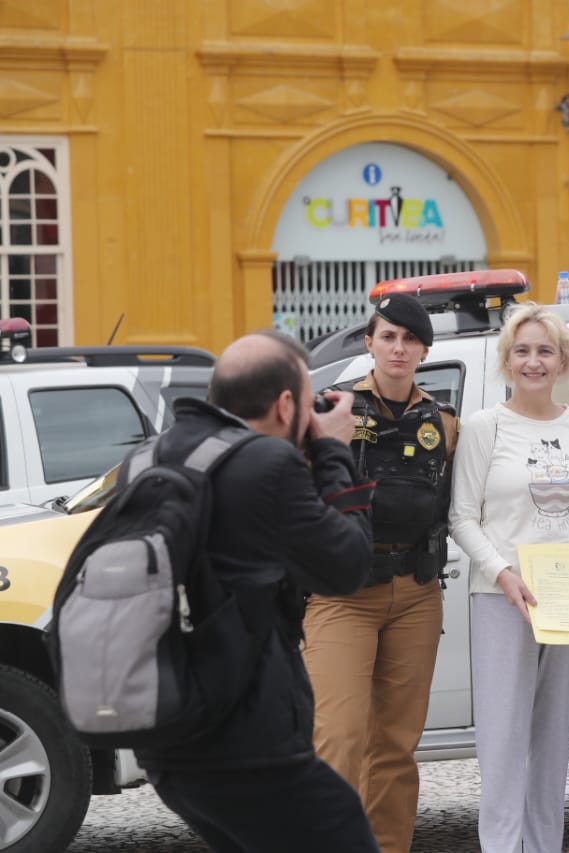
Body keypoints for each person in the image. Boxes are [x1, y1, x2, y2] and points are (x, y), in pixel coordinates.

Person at [138, 330, 379, 853]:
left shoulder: (154, 456)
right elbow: (347, 566)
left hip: (170, 741)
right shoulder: (267, 465)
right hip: (251, 742)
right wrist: (333, 451)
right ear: (286, 404)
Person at [449, 303, 569, 853]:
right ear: (507, 360)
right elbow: (462, 517)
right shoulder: (486, 427)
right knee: (502, 737)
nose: (534, 361)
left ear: (563, 361)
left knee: (553, 738)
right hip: (505, 597)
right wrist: (501, 573)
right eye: (522, 351)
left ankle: (545, 844)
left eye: (545, 351)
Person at [302, 293, 455, 853]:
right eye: (388, 336)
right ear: (369, 343)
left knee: (395, 743)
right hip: (342, 594)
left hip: (415, 593)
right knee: (337, 737)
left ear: (424, 350)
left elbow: (463, 505)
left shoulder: (444, 422)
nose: (399, 348)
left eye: (410, 339)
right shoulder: (333, 409)